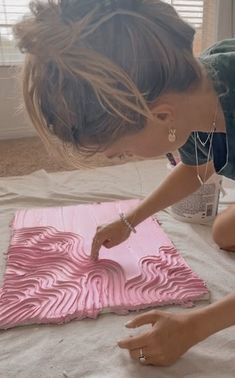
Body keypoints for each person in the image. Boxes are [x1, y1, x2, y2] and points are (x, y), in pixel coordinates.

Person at [14, 0, 235, 367]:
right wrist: (131, 219)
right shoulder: (192, 89)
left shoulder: (184, 103)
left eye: (121, 153)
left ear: (162, 115)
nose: (122, 158)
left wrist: (195, 326)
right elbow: (199, 166)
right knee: (223, 232)